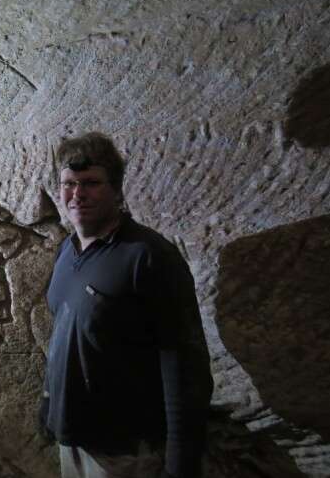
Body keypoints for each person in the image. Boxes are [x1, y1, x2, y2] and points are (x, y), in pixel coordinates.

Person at [40, 132, 213, 478]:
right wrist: (48, 405)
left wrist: (181, 464)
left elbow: (183, 365)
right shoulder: (67, 252)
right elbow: (64, 333)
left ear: (116, 190)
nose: (77, 194)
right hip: (74, 442)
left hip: (127, 452)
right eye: (69, 184)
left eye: (91, 183)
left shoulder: (147, 257)